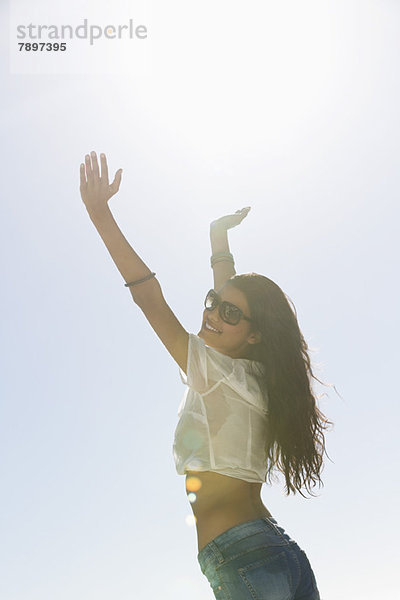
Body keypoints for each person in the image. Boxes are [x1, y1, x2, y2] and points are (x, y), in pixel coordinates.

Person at [80, 151, 333, 600]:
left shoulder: (212, 368)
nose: (212, 313)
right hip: (281, 553)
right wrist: (218, 240)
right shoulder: (259, 376)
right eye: (212, 301)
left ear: (255, 335)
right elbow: (229, 297)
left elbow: (149, 297)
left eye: (228, 313)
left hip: (244, 557)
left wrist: (100, 216)